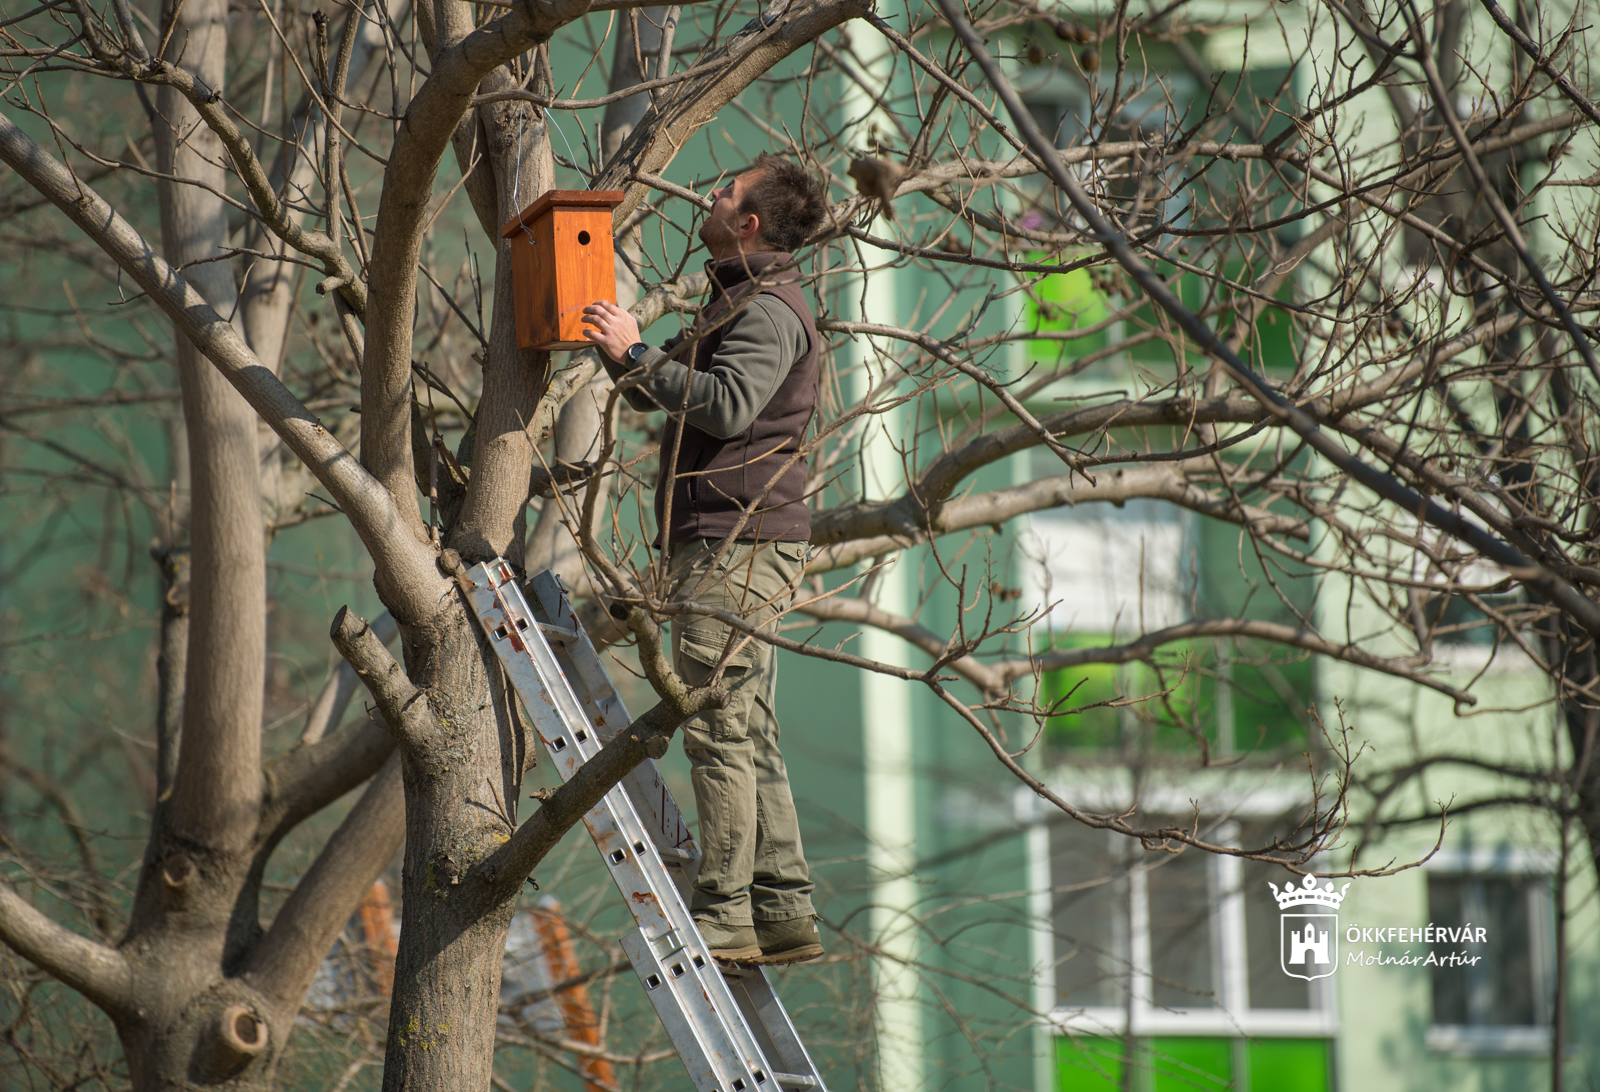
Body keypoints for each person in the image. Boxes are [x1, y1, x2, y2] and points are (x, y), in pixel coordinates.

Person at [581, 153, 828, 965]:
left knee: (719, 727)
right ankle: (783, 909)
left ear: (747, 222)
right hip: (736, 539)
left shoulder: (765, 310)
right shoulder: (741, 300)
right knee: (746, 725)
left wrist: (641, 353)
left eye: (724, 190)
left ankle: (725, 914)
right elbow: (681, 388)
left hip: (737, 541)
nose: (709, 194)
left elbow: (724, 403)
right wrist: (626, 355)